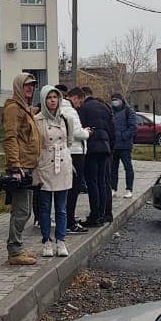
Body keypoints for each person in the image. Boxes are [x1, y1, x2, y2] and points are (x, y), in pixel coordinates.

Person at [2, 73, 43, 265]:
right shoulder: (13, 109)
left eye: (32, 85)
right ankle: (14, 251)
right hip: (20, 167)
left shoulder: (24, 109)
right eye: (27, 85)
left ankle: (17, 246)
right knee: (22, 210)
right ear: (18, 86)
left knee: (24, 211)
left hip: (28, 165)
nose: (30, 88)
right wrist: (15, 165)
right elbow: (10, 138)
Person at [33, 86, 74, 257]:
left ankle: (61, 240)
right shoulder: (37, 120)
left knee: (61, 207)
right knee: (44, 207)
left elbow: (69, 141)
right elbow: (34, 143)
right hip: (45, 164)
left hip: (62, 164)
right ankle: (46, 241)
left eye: (55, 97)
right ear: (43, 100)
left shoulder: (66, 118)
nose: (52, 100)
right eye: (49, 97)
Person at [70, 86, 115, 228]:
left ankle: (95, 215)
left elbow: (80, 129)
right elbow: (112, 129)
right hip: (105, 147)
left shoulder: (83, 109)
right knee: (103, 181)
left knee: (92, 182)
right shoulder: (105, 107)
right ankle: (105, 213)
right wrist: (110, 148)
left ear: (83, 97)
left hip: (91, 149)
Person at [55, 84, 90, 235]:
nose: (80, 105)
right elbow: (77, 133)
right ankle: (69, 222)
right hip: (75, 152)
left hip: (66, 152)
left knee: (66, 189)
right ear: (75, 97)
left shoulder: (60, 108)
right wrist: (87, 132)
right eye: (80, 102)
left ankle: (66, 218)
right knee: (73, 189)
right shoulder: (70, 110)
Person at [110, 93, 138, 200]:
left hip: (125, 145)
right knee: (113, 168)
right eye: (113, 100)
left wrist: (123, 136)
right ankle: (113, 188)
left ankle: (129, 189)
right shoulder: (110, 111)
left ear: (121, 100)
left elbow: (133, 127)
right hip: (114, 145)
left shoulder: (128, 111)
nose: (114, 102)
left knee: (128, 167)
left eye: (116, 99)